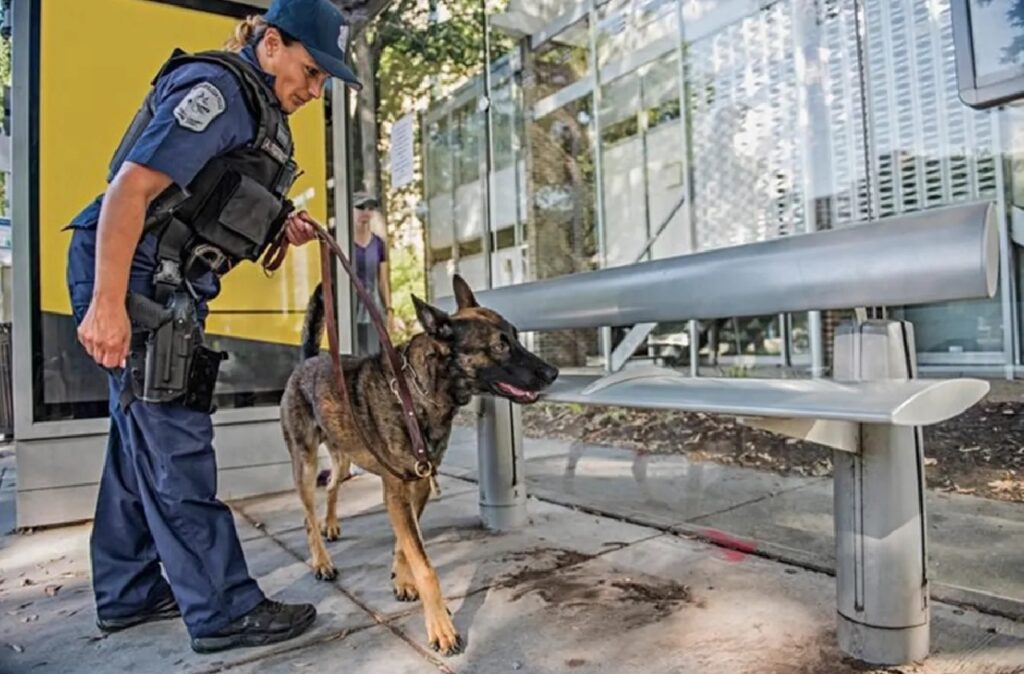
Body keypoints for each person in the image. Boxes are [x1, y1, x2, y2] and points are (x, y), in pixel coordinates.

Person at [65, 0, 361, 654]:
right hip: (133, 273)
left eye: (323, 82)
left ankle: (129, 589)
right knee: (174, 438)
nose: (314, 91)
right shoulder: (219, 92)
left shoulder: (257, 106)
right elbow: (128, 193)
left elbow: (209, 197)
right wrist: (107, 303)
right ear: (273, 43)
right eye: (310, 72)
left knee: (137, 437)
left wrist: (277, 222)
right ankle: (224, 608)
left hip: (159, 279)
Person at [352, 192, 392, 356]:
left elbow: (383, 280)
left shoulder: (378, 244)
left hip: (374, 309)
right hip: (351, 309)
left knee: (377, 355)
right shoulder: (344, 242)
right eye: (360, 207)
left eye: (370, 208)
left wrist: (389, 309)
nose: (365, 212)